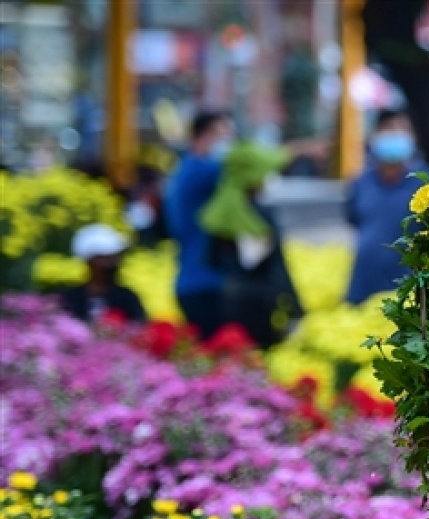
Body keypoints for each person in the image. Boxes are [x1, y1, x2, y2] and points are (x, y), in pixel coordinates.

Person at [199, 142, 303, 349]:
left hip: (229, 299)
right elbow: (278, 267)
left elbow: (210, 259)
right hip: (262, 301)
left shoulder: (219, 212)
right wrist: (296, 309)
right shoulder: (261, 214)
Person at [344, 108, 429, 305]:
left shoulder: (425, 182)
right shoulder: (361, 182)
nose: (395, 135)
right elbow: (354, 220)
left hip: (408, 291)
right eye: (389, 129)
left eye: (402, 130)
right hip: (362, 287)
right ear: (375, 135)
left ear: (414, 137)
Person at [163, 111, 235, 340]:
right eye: (222, 135)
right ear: (202, 136)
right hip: (203, 284)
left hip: (195, 281)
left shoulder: (184, 169)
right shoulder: (201, 171)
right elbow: (249, 166)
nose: (227, 143)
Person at [60, 224, 146, 325]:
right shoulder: (71, 298)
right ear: (90, 261)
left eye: (115, 257)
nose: (112, 264)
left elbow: (139, 327)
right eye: (105, 258)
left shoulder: (127, 298)